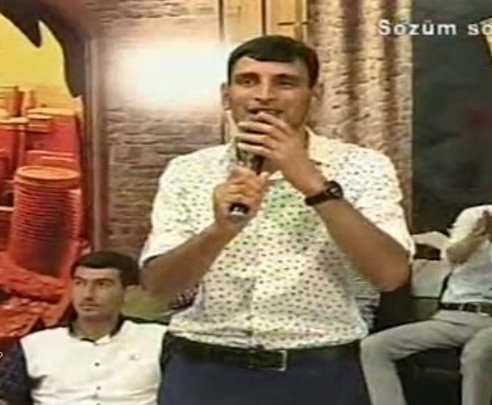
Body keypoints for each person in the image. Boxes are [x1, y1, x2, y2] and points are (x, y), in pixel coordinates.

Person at [139, 35, 413, 405]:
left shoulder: (362, 166)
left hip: (318, 373)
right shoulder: (188, 171)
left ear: (314, 97)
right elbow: (158, 290)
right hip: (202, 370)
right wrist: (219, 231)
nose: (264, 96)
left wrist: (313, 185)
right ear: (226, 96)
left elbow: (390, 274)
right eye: (248, 81)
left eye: (284, 82)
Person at [360, 160, 492, 405]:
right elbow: (452, 257)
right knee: (374, 346)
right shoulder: (476, 215)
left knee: (480, 348)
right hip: (458, 315)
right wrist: (475, 238)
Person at [0, 251, 167, 405]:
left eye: (102, 284)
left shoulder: (159, 340)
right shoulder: (36, 346)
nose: (87, 295)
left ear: (128, 293)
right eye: (80, 283)